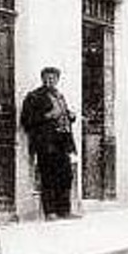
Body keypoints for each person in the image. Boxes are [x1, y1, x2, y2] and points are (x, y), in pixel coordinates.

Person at [20, 67, 79, 220]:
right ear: (42, 79)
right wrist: (47, 116)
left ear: (57, 79)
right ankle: (50, 211)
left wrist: (71, 116)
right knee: (48, 176)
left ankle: (64, 210)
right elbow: (26, 121)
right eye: (47, 78)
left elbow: (63, 114)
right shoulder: (34, 97)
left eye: (53, 78)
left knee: (66, 175)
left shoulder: (59, 96)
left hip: (62, 141)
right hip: (46, 142)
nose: (50, 81)